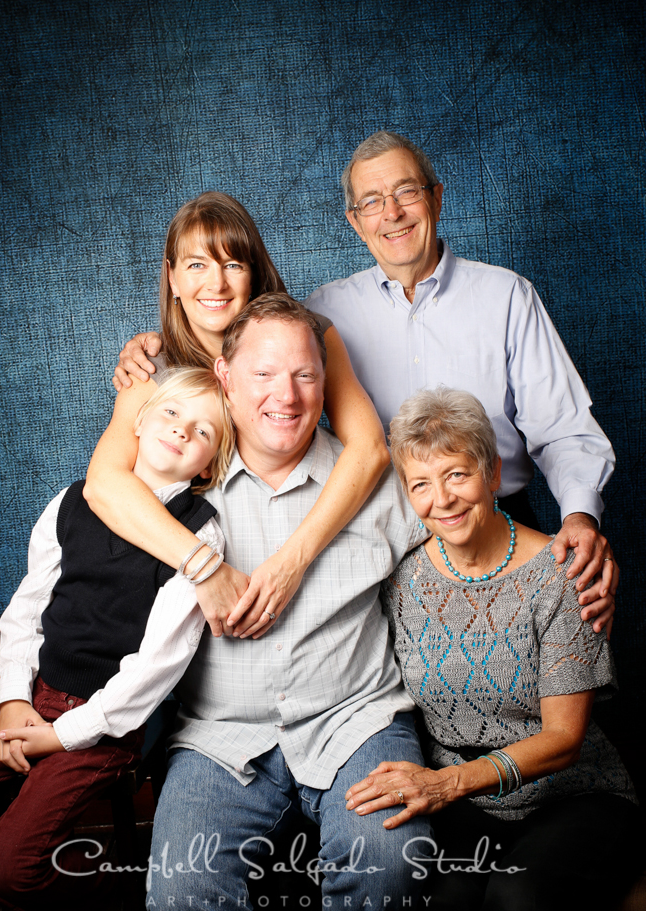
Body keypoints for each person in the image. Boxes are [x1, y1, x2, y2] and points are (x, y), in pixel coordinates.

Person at [116, 140, 616, 633]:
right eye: (371, 202)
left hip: (488, 516)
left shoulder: (505, 296)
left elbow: (562, 428)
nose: (392, 214)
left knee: (559, 642)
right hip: (361, 521)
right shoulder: (325, 311)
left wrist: (579, 519)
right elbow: (256, 342)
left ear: (437, 198)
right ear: (354, 221)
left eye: (406, 192)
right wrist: (159, 345)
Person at [145, 293, 429, 911]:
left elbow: (466, 556)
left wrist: (557, 563)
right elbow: (84, 589)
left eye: (305, 375)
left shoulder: (372, 481)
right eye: (266, 374)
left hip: (356, 721)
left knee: (390, 863)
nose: (288, 395)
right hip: (219, 737)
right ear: (224, 378)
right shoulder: (179, 486)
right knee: (178, 893)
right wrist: (9, 686)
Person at [0, 368, 233, 911]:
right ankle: (54, 890)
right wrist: (14, 700)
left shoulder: (202, 535)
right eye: (171, 413)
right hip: (34, 695)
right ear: (139, 422)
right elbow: (26, 609)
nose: (182, 430)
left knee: (4, 866)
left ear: (208, 464)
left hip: (104, 726)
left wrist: (62, 735)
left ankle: (91, 904)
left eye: (202, 430)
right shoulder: (72, 501)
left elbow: (154, 670)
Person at [345, 386, 639, 911]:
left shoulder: (560, 575)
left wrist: (448, 782)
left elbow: (563, 740)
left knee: (517, 904)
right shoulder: (401, 581)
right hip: (466, 809)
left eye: (457, 474)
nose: (442, 499)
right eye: (420, 483)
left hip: (573, 796)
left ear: (494, 472)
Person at [88, 190, 389, 643]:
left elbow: (369, 450)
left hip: (305, 544)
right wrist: (201, 566)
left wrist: (293, 561)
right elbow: (104, 485)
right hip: (186, 594)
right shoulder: (153, 371)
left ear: (254, 273)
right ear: (171, 278)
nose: (217, 285)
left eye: (232, 265)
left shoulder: (308, 337)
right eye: (196, 266)